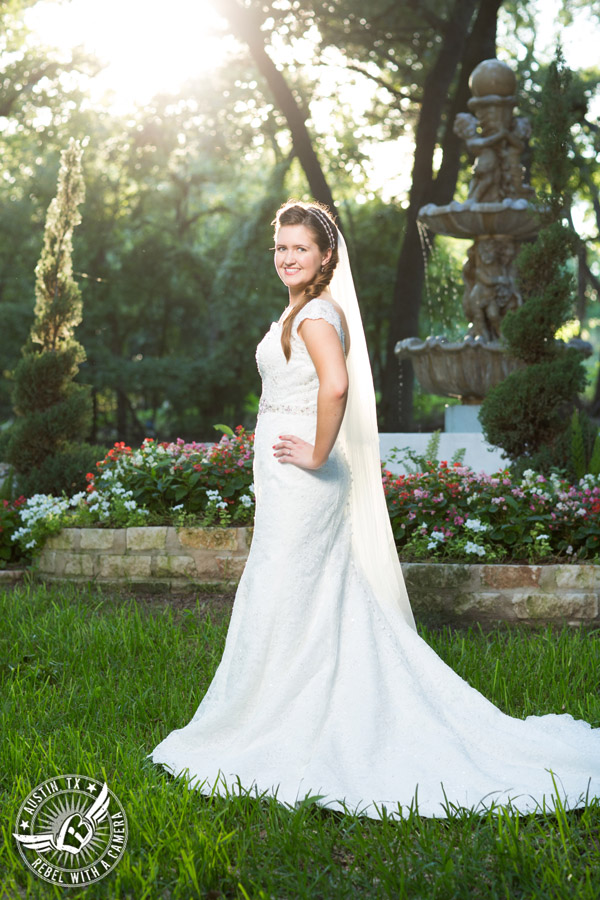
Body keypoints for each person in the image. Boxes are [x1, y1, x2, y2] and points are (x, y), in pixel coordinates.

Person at [151, 200, 600, 819]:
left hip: (305, 479)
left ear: (325, 255)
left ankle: (290, 719)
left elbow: (334, 385)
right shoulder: (304, 309)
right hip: (291, 480)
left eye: (299, 249)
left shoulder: (314, 314)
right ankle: (287, 706)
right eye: (280, 248)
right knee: (305, 594)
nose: (286, 258)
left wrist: (314, 450)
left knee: (289, 590)